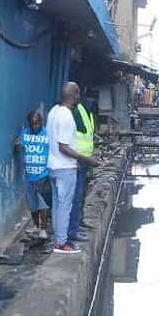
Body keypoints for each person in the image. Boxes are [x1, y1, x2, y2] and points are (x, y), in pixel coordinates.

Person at [46, 82, 95, 254]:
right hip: (65, 167)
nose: (79, 96)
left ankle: (58, 239)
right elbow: (63, 147)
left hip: (53, 166)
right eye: (78, 92)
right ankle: (61, 243)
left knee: (58, 206)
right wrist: (87, 159)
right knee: (65, 206)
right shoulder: (66, 116)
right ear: (74, 95)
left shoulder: (53, 112)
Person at [14, 110, 51, 239]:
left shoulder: (48, 134)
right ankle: (36, 226)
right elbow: (18, 149)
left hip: (43, 175)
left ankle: (44, 229)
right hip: (29, 176)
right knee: (33, 205)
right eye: (32, 124)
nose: (34, 126)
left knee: (43, 204)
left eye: (37, 123)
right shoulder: (25, 133)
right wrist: (17, 145)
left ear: (41, 122)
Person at [67, 92, 97, 244]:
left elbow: (89, 135)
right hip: (77, 161)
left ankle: (79, 221)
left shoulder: (88, 113)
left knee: (83, 193)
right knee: (76, 196)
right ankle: (72, 231)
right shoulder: (76, 112)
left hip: (85, 161)